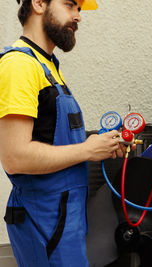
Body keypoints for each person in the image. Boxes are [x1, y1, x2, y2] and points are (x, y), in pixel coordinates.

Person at [0, 0, 130, 266]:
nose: (78, 17)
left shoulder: (47, 66)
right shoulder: (19, 65)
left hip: (65, 219)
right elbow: (15, 157)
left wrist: (99, 145)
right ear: (38, 3)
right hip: (44, 221)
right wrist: (87, 149)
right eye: (71, 5)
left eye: (80, 9)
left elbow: (50, 141)